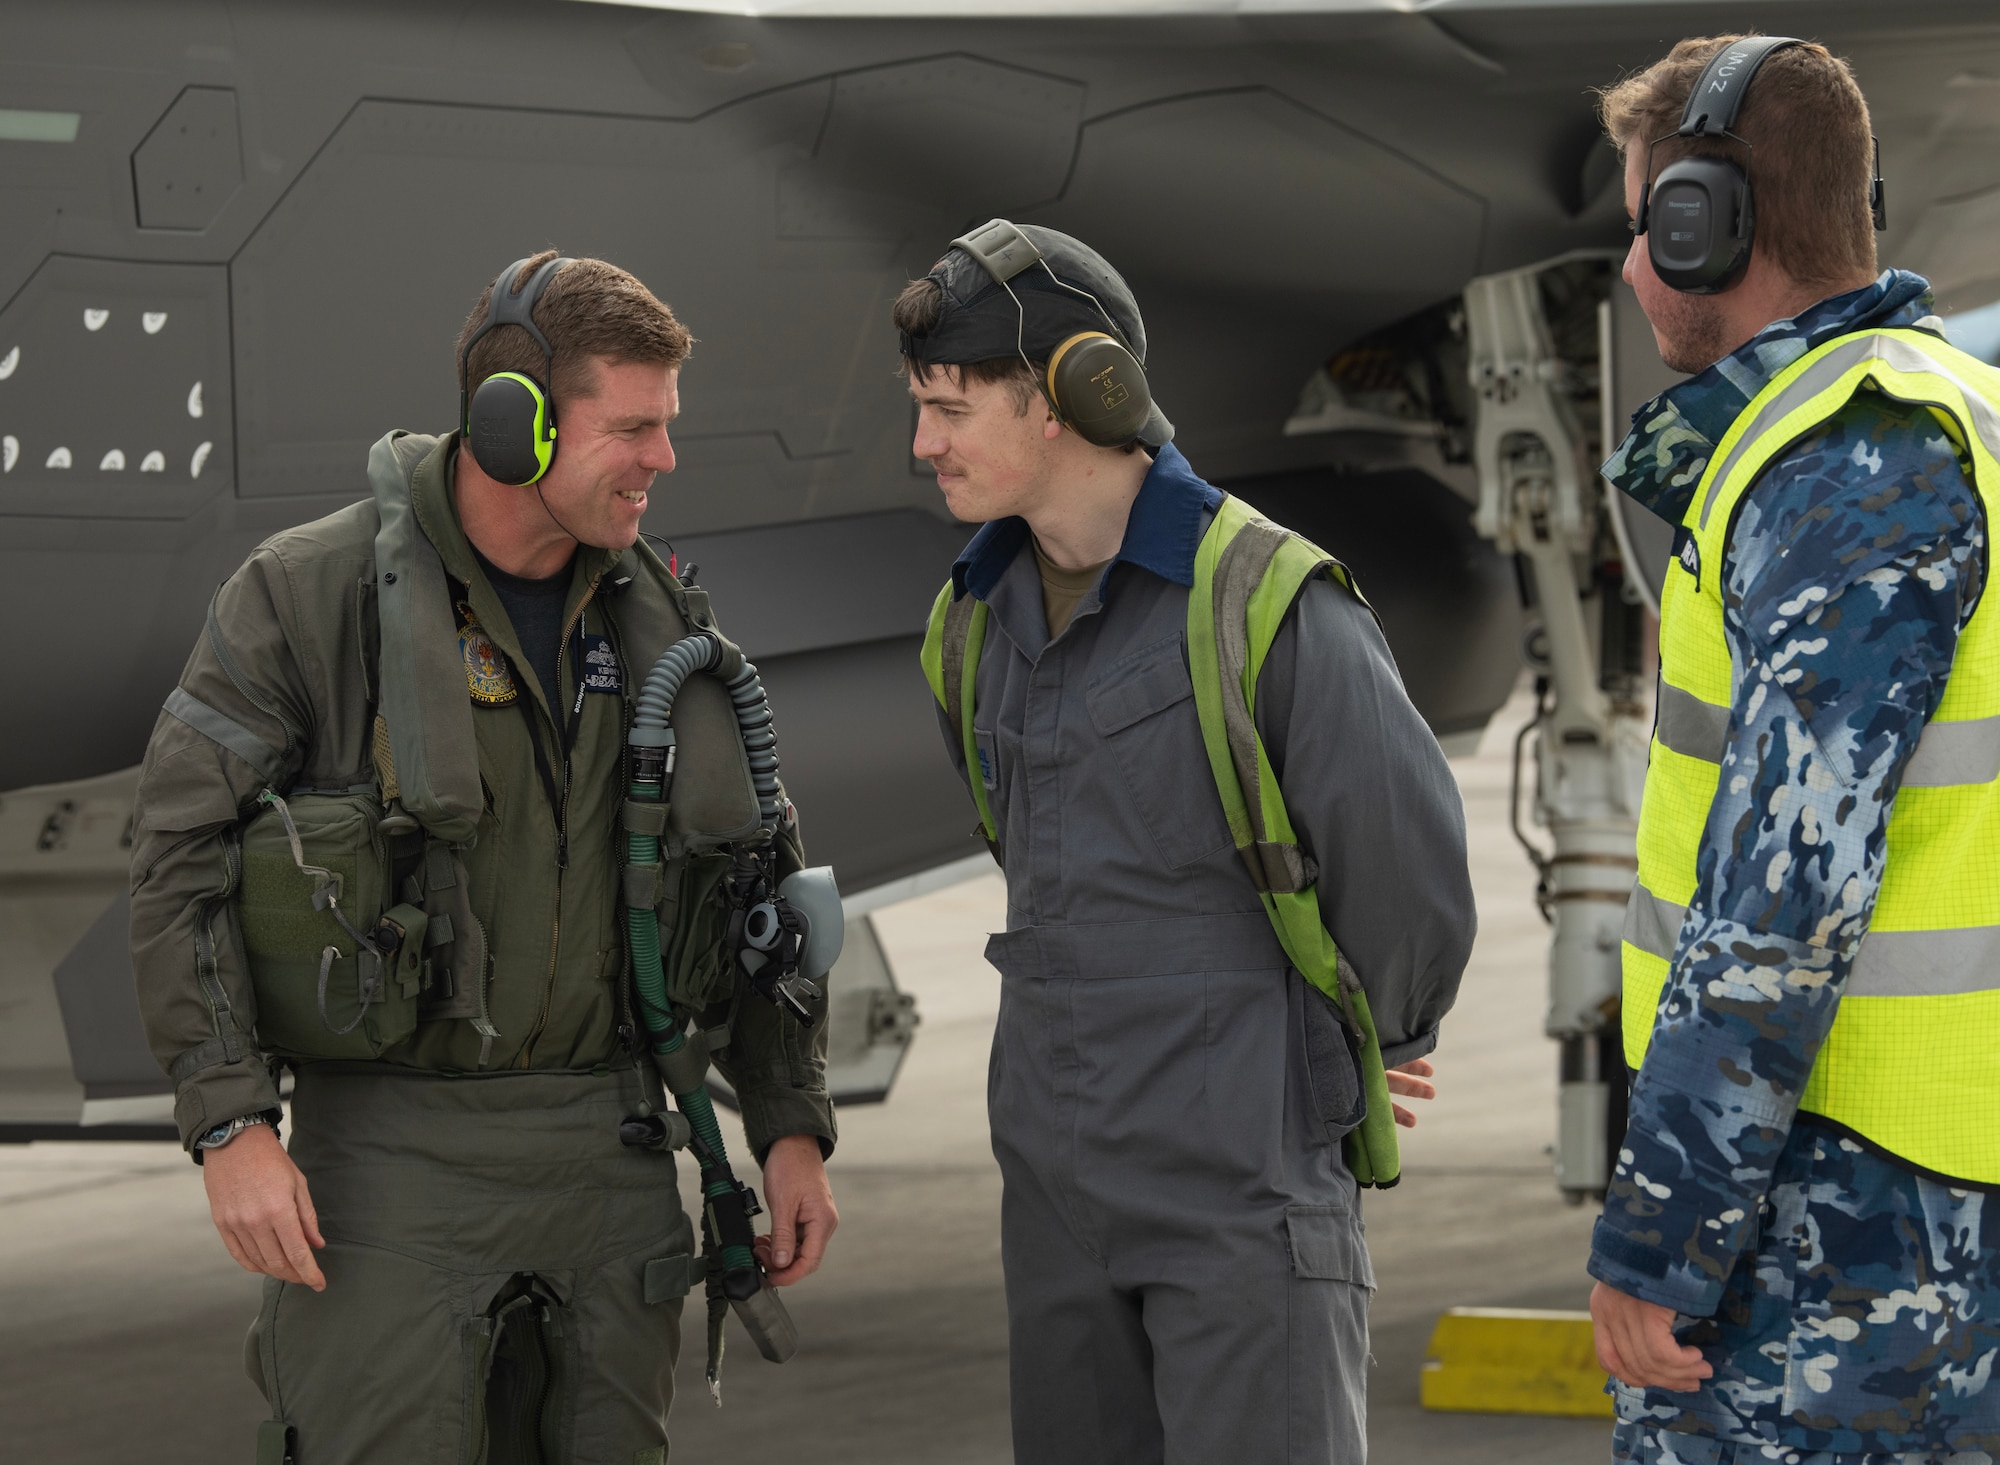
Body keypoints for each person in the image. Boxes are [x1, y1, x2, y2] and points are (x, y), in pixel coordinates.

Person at [128, 250, 838, 1462]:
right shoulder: (307, 598)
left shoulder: (662, 621)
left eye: (667, 427)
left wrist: (785, 1121)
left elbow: (754, 871)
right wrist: (229, 1124)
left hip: (609, 1161)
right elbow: (177, 856)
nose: (662, 461)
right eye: (632, 429)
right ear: (514, 426)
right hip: (390, 1177)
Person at [899, 220, 1475, 1463]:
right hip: (1051, 1189)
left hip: (1239, 1189)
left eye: (948, 406)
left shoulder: (1264, 603)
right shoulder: (968, 622)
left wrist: (1375, 1030)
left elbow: (1405, 869)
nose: (922, 442)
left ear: (1066, 392)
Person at [1590, 34, 2000, 1465]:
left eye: (1648, 226)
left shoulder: (1848, 458)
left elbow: (1786, 893)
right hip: (1941, 1195)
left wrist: (1661, 1230)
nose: (1634, 270)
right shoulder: (1951, 415)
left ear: (1715, 226)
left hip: (1848, 1220)